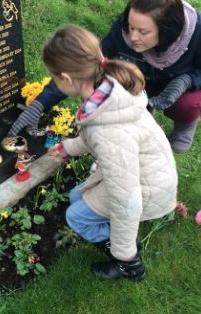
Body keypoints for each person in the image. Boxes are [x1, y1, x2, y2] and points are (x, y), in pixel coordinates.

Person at [43, 25, 177, 281]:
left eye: (55, 78)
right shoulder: (107, 89)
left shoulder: (109, 133)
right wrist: (68, 147)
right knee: (75, 196)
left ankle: (129, 266)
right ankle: (116, 240)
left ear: (67, 79)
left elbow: (127, 200)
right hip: (145, 170)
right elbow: (95, 136)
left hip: (146, 186)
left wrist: (124, 249)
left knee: (76, 217)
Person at [8, 0, 201, 153]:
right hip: (140, 80)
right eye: (131, 27)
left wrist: (188, 80)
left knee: (186, 105)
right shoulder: (125, 27)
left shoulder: (200, 31)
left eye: (143, 32)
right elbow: (84, 65)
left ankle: (184, 127)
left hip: (177, 84)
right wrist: (40, 104)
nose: (132, 37)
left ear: (166, 31)